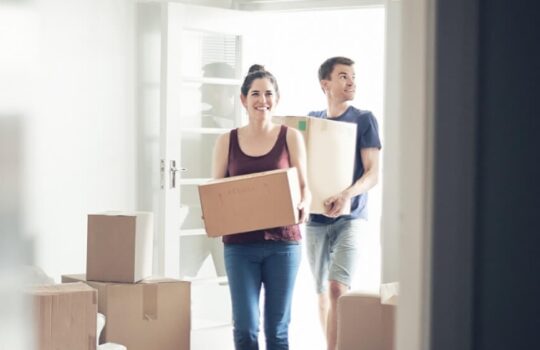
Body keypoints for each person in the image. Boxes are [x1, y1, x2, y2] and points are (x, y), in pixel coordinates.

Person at [212, 64, 311, 350]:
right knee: (245, 329)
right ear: (243, 99)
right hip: (240, 246)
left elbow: (305, 187)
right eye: (255, 94)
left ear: (276, 99)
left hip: (284, 243)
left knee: (277, 330)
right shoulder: (226, 141)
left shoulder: (291, 137)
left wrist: (304, 203)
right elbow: (216, 191)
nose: (262, 100)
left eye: (268, 94)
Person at [305, 56, 381, 350]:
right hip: (316, 220)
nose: (351, 82)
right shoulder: (313, 119)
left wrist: (346, 195)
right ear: (326, 84)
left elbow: (373, 173)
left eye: (353, 77)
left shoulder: (364, 119)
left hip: (352, 217)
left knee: (338, 288)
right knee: (322, 291)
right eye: (343, 76)